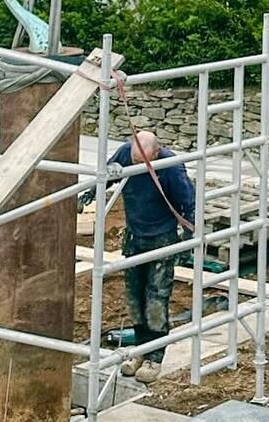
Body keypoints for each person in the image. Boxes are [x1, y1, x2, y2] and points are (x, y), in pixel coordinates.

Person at [82, 127, 195, 383]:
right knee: (134, 298)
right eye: (134, 159)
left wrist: (187, 241)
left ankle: (155, 356)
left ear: (156, 152)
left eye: (142, 160)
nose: (136, 163)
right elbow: (108, 175)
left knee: (156, 298)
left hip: (161, 238)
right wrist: (90, 193)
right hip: (134, 236)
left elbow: (189, 203)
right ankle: (140, 350)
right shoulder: (126, 152)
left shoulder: (171, 166)